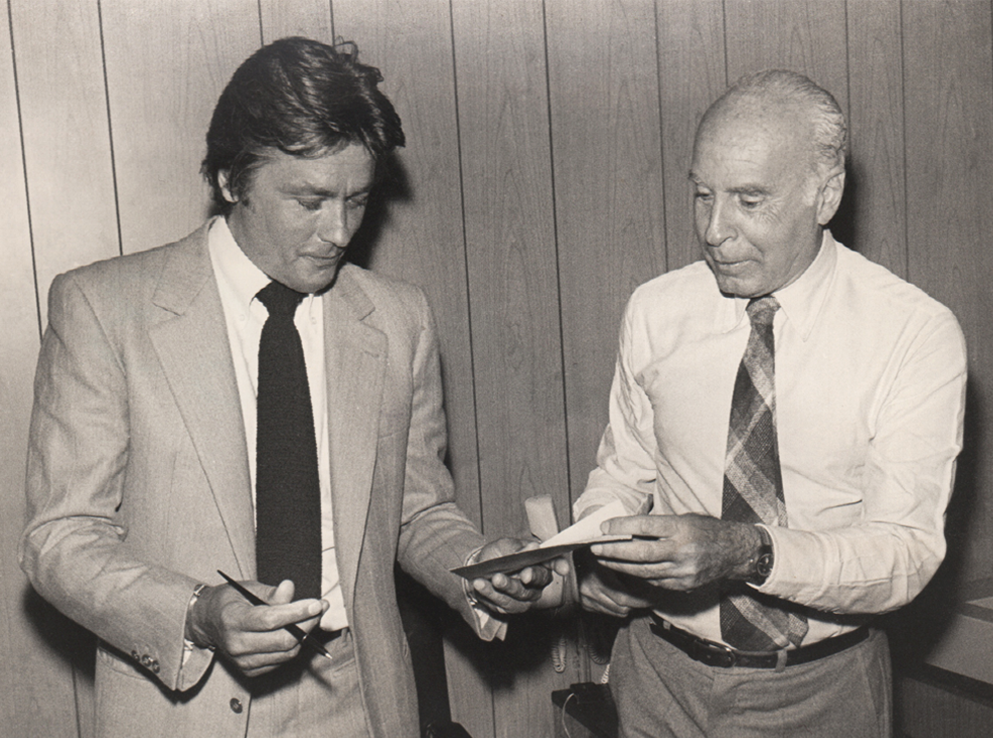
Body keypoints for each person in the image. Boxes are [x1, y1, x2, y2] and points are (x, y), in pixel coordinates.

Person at [20, 36, 563, 738]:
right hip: (185, 703)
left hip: (359, 697)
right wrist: (196, 612)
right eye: (308, 201)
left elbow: (415, 512)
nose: (337, 231)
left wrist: (478, 565)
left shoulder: (399, 319)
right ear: (230, 180)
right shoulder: (104, 308)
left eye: (356, 201)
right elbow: (61, 539)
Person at [573, 69, 966, 737]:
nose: (714, 231)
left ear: (825, 193)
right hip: (657, 677)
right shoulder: (656, 310)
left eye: (749, 200)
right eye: (702, 195)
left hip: (821, 690)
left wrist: (747, 552)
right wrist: (594, 552)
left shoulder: (913, 333)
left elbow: (904, 554)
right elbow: (622, 475)